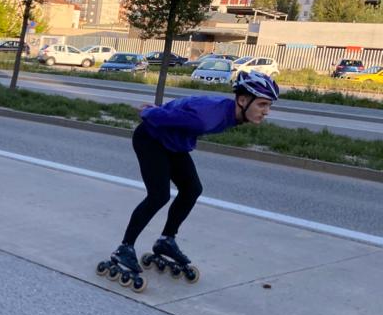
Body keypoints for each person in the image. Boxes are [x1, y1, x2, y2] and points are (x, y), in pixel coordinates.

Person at [99, 71, 280, 291]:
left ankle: (166, 239)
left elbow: (186, 104)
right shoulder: (209, 117)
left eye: (268, 105)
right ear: (243, 100)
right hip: (151, 138)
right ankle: (124, 248)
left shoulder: (231, 113)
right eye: (262, 104)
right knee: (159, 195)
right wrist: (150, 111)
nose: (266, 111)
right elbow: (166, 117)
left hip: (174, 143)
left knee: (192, 189)